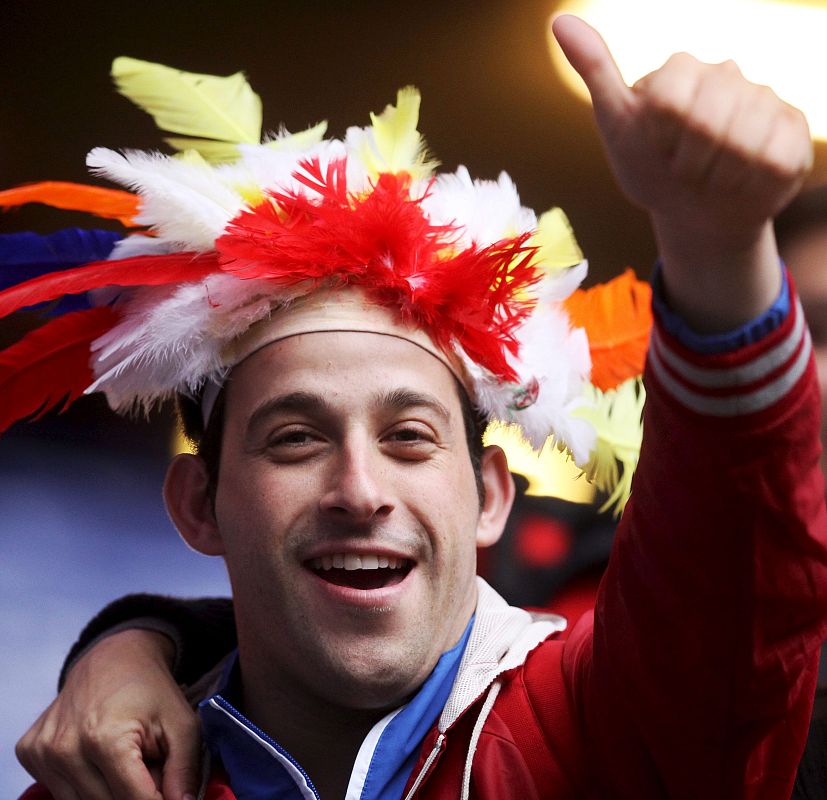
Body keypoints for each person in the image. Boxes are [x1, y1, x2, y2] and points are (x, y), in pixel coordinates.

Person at [9, 14, 827, 800]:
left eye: (409, 436)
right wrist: (132, 642)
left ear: (491, 496)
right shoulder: (87, 784)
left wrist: (715, 246)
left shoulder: (606, 725)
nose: (359, 488)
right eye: (294, 439)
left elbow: (725, 567)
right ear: (199, 504)